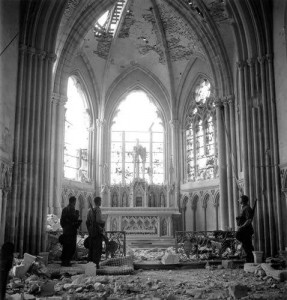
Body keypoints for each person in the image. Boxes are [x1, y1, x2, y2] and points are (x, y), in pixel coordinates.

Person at [60, 196, 81, 266]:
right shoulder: (72, 209)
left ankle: (64, 261)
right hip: (71, 231)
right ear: (74, 202)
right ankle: (67, 261)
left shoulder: (64, 209)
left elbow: (61, 221)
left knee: (65, 246)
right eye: (75, 202)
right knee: (71, 247)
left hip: (66, 230)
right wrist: (77, 213)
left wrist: (64, 227)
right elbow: (74, 218)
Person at [86, 196, 107, 269]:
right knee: (97, 248)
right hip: (97, 231)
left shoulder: (89, 210)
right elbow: (98, 220)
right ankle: (96, 264)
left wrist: (89, 230)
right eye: (100, 201)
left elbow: (87, 221)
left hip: (91, 231)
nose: (101, 202)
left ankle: (90, 265)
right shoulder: (97, 210)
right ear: (98, 202)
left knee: (91, 248)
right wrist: (104, 221)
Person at [235, 195, 254, 263]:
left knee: (247, 245)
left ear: (242, 200)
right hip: (244, 229)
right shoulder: (244, 208)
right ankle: (250, 259)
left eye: (239, 199)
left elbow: (249, 220)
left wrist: (242, 226)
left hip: (246, 230)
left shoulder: (247, 208)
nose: (238, 200)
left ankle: (251, 260)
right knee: (246, 245)